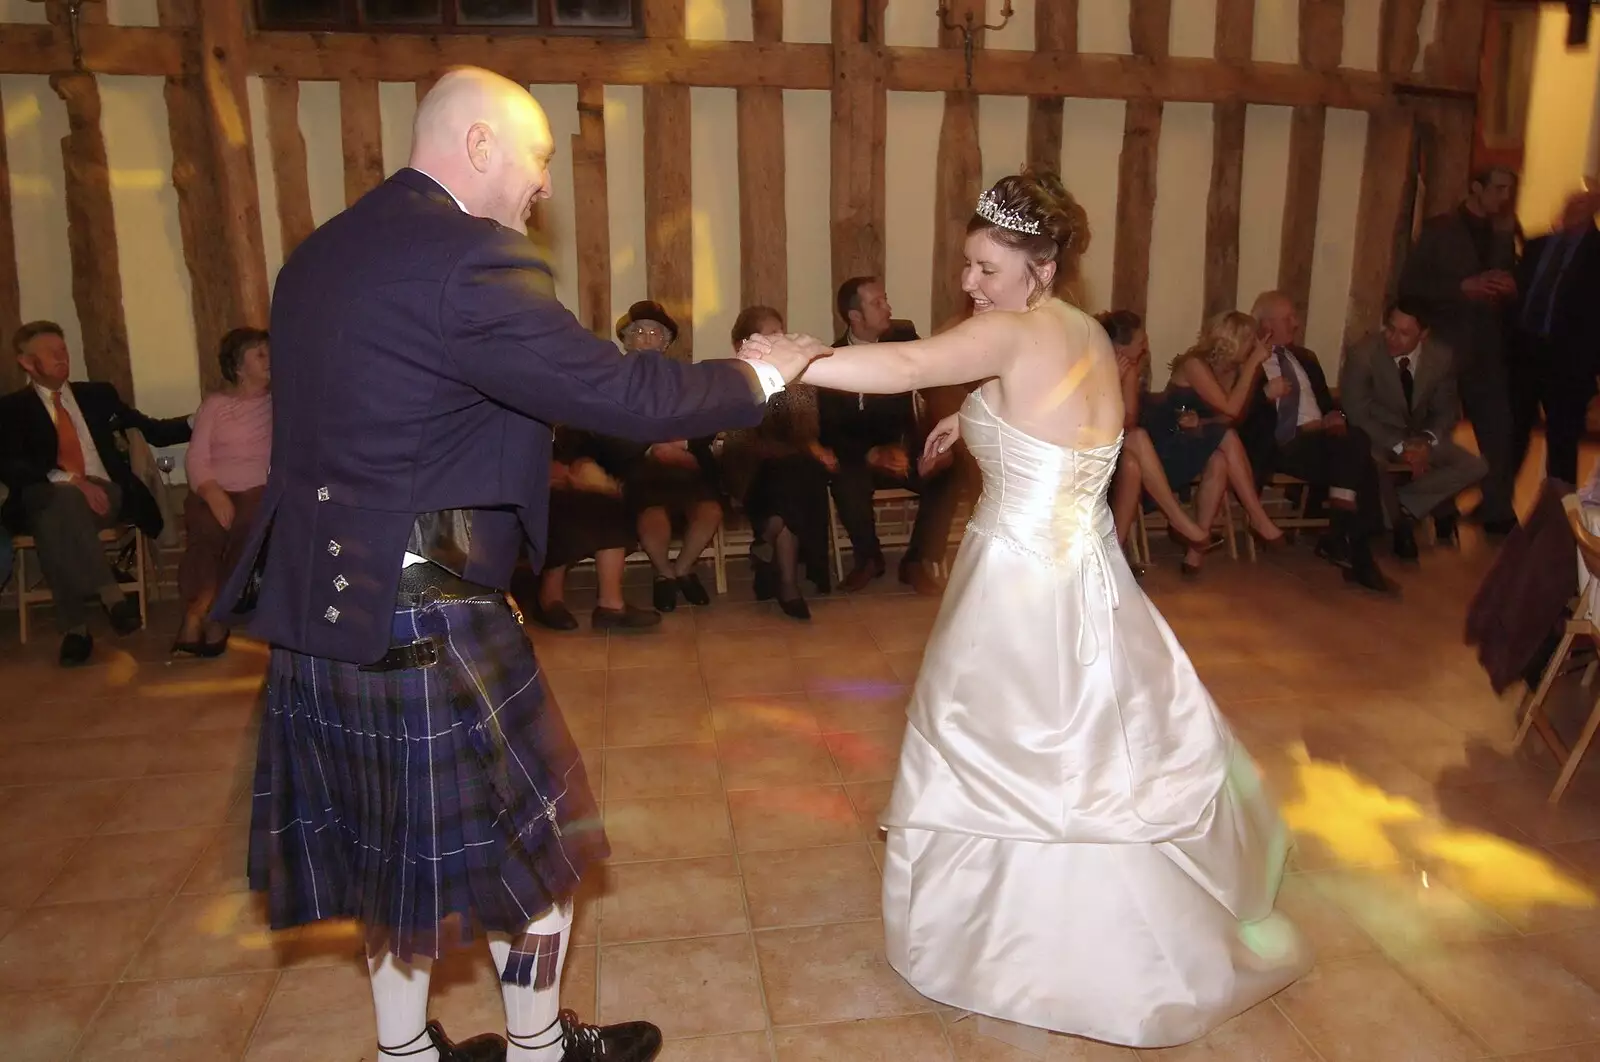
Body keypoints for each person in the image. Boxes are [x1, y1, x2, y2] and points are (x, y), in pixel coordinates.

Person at [214, 67, 817, 1062]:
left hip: (324, 603)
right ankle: (539, 1052)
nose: (543, 187)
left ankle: (406, 1056)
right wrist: (759, 372)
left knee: (388, 863)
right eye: (538, 159)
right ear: (479, 143)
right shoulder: (471, 260)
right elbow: (623, 395)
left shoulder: (320, 254)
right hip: (424, 610)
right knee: (542, 852)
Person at [742, 170, 1309, 1048]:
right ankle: (1102, 924)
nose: (970, 284)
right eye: (966, 266)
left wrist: (796, 358)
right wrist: (972, 415)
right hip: (1090, 570)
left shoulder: (1007, 335)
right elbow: (1065, 423)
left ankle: (1021, 945)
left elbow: (904, 363)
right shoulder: (1088, 332)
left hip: (1017, 581)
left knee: (1003, 750)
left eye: (985, 268)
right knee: (1092, 753)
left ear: (1038, 264)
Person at [0, 321, 192, 665]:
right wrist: (71, 480)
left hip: (106, 496)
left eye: (64, 350)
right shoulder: (11, 409)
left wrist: (201, 420)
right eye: (51, 353)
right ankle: (110, 596)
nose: (62, 357)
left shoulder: (97, 396)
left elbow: (153, 430)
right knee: (60, 503)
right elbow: (10, 467)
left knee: (55, 517)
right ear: (27, 363)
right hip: (43, 496)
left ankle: (76, 628)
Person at [1399, 167, 1521, 534]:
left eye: (1509, 191)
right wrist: (1460, 288)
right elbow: (1411, 286)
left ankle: (1498, 510)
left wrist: (1509, 288)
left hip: (1487, 346)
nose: (1504, 197)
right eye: (1498, 189)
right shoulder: (1441, 229)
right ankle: (1441, 510)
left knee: (1499, 431)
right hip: (1446, 344)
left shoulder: (1504, 232)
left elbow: (1514, 281)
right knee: (1440, 430)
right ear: (1475, 188)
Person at [821, 276, 958, 595]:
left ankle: (917, 562)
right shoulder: (833, 357)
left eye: (886, 299)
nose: (888, 308)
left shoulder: (904, 340)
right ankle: (868, 559)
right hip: (859, 454)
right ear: (855, 317)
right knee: (846, 478)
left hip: (902, 447)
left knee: (948, 473)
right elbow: (829, 426)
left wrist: (939, 444)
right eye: (877, 303)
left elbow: (936, 388)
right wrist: (870, 454)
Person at [1252, 291, 1394, 593]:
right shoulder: (1250, 363)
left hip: (1325, 442)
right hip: (1286, 443)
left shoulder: (1304, 359)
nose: (1296, 323)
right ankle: (1350, 542)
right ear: (1265, 325)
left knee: (1352, 441)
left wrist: (1334, 415)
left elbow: (1329, 403)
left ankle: (1347, 539)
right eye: (1288, 318)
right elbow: (1241, 412)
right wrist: (1265, 395)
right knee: (1360, 453)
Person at [590, 299, 724, 612]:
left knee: (710, 512)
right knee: (654, 518)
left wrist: (683, 445)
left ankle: (682, 569)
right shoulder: (612, 383)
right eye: (639, 332)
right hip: (639, 467)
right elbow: (605, 432)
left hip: (685, 465)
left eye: (655, 332)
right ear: (626, 341)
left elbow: (710, 420)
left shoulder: (685, 379)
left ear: (666, 343)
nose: (648, 337)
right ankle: (664, 573)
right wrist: (650, 446)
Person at [1339, 302, 1486, 557]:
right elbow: (1357, 414)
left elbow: (1446, 410)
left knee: (1475, 466)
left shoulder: (1441, 357)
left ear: (1423, 335)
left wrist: (1426, 443)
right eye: (1390, 329)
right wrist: (1401, 445)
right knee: (1371, 461)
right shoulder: (1362, 355)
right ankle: (1395, 518)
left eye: (1404, 333)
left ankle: (1402, 506)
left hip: (1420, 437)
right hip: (1378, 435)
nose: (1393, 338)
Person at [720, 305, 833, 619]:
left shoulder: (799, 376)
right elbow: (738, 439)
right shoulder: (732, 377)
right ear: (746, 342)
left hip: (790, 469)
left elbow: (807, 429)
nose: (779, 338)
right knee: (790, 476)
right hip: (749, 468)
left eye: (780, 331)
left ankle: (771, 549)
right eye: (770, 333)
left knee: (792, 481)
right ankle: (786, 583)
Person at [174, 327, 272, 656]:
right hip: (211, 487)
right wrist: (212, 492)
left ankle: (206, 614)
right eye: (259, 354)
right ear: (238, 367)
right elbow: (196, 458)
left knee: (247, 525)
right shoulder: (215, 405)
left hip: (257, 490)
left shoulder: (280, 404)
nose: (269, 359)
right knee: (205, 530)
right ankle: (201, 612)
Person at [1508, 188, 1600, 485]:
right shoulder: (1538, 245)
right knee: (1512, 434)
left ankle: (1558, 513)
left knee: (1561, 443)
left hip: (1569, 363)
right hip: (1525, 351)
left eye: (1581, 205)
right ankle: (1497, 505)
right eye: (1570, 203)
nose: (1572, 209)